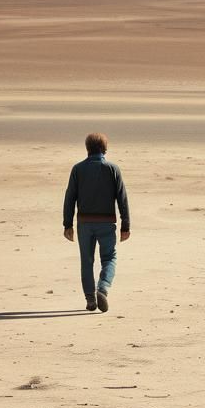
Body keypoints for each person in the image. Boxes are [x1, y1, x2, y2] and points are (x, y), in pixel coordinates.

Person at [62, 132, 130, 312]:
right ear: (105, 148)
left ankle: (90, 299)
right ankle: (103, 288)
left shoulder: (78, 169)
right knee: (109, 257)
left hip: (84, 223)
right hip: (107, 222)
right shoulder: (112, 169)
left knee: (87, 260)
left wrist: (67, 224)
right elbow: (122, 199)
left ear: (87, 148)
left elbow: (70, 197)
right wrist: (125, 226)